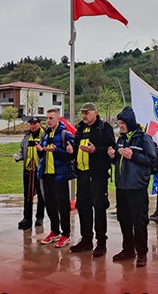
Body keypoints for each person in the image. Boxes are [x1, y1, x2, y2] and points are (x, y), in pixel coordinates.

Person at [107, 107, 157, 267]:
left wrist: (133, 155)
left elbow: (152, 162)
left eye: (122, 123)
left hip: (137, 187)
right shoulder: (121, 139)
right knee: (124, 220)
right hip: (122, 186)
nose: (120, 126)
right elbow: (118, 161)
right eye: (119, 123)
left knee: (139, 221)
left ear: (129, 122)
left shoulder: (144, 138)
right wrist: (113, 156)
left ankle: (142, 253)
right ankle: (128, 249)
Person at [67, 103, 116, 257]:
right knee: (83, 207)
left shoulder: (104, 127)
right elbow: (77, 149)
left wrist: (96, 150)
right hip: (82, 176)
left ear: (95, 113)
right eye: (82, 113)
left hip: (98, 176)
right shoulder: (80, 129)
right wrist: (72, 151)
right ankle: (86, 240)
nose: (84, 116)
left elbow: (111, 149)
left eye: (86, 113)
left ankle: (101, 243)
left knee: (99, 208)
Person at [36, 108, 75, 248]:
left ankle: (66, 234)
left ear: (58, 118)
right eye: (47, 118)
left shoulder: (66, 134)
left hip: (60, 175)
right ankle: (54, 231)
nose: (48, 121)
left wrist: (56, 151)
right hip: (46, 174)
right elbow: (43, 156)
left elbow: (71, 155)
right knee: (50, 205)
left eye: (51, 118)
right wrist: (40, 151)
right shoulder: (45, 134)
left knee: (63, 206)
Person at [13, 116, 46, 231]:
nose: (32, 125)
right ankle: (26, 217)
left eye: (35, 123)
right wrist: (18, 157)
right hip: (28, 170)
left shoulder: (44, 136)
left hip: (40, 170)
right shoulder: (26, 137)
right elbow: (22, 151)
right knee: (27, 195)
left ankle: (40, 217)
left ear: (39, 124)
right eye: (31, 123)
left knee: (41, 195)